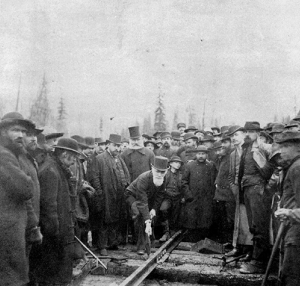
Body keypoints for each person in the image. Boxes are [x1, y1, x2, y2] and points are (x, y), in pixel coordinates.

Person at [35, 138, 84, 285]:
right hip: (54, 240)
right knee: (52, 278)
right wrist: (56, 235)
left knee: (61, 277)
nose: (75, 161)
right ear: (63, 154)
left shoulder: (58, 169)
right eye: (73, 157)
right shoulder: (50, 171)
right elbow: (48, 209)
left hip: (61, 237)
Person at [0, 112, 35, 286]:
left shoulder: (12, 154)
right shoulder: (4, 155)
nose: (21, 135)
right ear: (3, 131)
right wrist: (27, 178)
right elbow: (26, 188)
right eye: (15, 130)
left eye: (23, 131)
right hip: (6, 234)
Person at [238, 121, 274, 274]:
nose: (248, 134)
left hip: (257, 189)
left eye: (252, 131)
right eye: (246, 131)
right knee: (253, 225)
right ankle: (255, 255)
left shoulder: (264, 147)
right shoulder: (246, 147)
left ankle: (259, 262)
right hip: (247, 188)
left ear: (258, 133)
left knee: (260, 226)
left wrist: (266, 187)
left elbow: (272, 168)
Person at [93, 134, 131, 256]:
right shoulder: (100, 158)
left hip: (118, 194)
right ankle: (102, 245)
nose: (117, 148)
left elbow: (125, 174)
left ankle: (113, 242)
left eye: (119, 146)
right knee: (104, 220)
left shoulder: (119, 158)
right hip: (106, 194)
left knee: (116, 218)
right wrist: (99, 193)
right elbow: (95, 177)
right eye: (115, 146)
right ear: (108, 144)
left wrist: (126, 187)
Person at [125, 156, 168, 254]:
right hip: (133, 197)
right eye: (158, 171)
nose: (160, 174)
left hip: (148, 197)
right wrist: (147, 220)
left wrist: (154, 209)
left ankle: (149, 240)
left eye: (162, 172)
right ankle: (140, 246)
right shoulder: (143, 179)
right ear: (152, 168)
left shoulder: (163, 179)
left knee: (151, 215)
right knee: (141, 216)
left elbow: (160, 195)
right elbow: (142, 202)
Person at [274, 131, 300, 286]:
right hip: (291, 229)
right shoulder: (292, 167)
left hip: (296, 232)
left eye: (286, 146)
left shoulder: (297, 168)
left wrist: (290, 213)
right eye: (281, 146)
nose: (281, 150)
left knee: (291, 277)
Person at [227, 125, 253, 259]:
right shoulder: (232, 154)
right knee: (239, 220)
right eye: (231, 136)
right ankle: (238, 247)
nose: (233, 138)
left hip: (250, 190)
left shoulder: (250, 150)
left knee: (249, 220)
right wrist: (234, 188)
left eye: (236, 135)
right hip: (238, 191)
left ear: (244, 135)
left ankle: (249, 249)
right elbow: (231, 175)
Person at [181, 146, 217, 242]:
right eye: (199, 154)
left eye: (203, 154)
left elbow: (214, 181)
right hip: (193, 197)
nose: (201, 156)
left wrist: (211, 195)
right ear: (196, 155)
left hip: (206, 198)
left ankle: (203, 239)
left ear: (206, 155)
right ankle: (191, 240)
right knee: (191, 218)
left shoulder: (210, 166)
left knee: (205, 219)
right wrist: (188, 195)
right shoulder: (190, 165)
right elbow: (184, 181)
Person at [213, 133, 236, 243]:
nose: (223, 146)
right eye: (222, 143)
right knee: (223, 218)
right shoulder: (222, 158)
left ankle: (231, 241)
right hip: (221, 193)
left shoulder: (233, 156)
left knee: (230, 218)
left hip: (228, 193)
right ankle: (226, 240)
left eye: (225, 143)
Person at [159, 156, 184, 242]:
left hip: (177, 197)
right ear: (170, 163)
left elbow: (184, 186)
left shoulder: (181, 174)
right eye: (176, 162)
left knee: (175, 215)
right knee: (163, 209)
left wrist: (183, 196)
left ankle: (172, 233)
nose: (178, 165)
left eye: (179, 163)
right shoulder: (165, 173)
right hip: (167, 197)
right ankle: (166, 232)